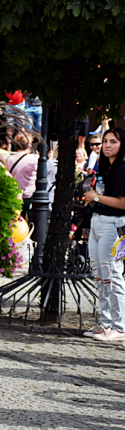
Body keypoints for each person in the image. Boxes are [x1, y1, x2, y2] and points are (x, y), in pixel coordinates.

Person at [82, 127, 125, 341]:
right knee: (99, 275)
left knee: (112, 274)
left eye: (113, 142)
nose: (107, 145)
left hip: (114, 223)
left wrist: (96, 197)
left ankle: (120, 326)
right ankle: (106, 322)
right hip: (98, 222)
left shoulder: (122, 168)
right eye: (105, 141)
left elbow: (122, 202)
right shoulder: (105, 167)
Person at [7, 133, 39, 222]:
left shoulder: (9, 159)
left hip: (15, 195)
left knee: (16, 222)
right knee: (32, 222)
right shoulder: (34, 159)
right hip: (30, 195)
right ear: (28, 144)